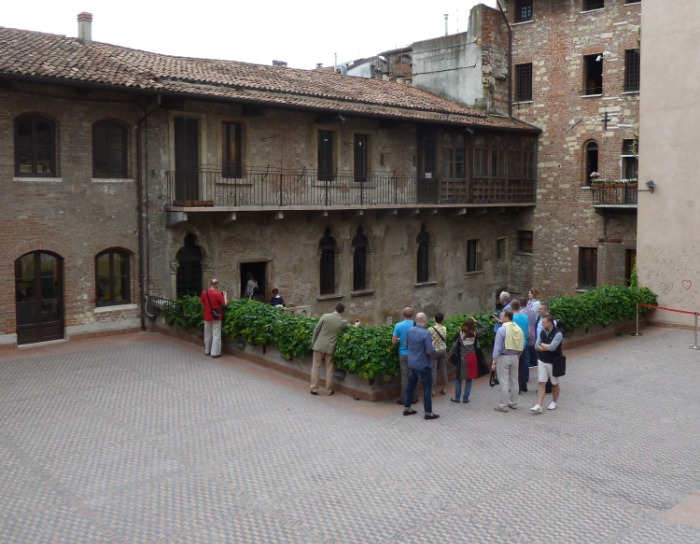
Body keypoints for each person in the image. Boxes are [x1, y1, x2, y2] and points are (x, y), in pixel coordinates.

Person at [402, 312, 439, 420]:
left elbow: (406, 344)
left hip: (412, 363)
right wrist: (433, 346)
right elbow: (430, 351)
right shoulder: (425, 333)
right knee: (427, 388)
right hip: (423, 365)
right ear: (424, 320)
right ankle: (428, 412)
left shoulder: (410, 330)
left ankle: (407, 408)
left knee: (410, 386)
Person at [310, 303, 348, 396]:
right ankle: (328, 390)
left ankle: (314, 388)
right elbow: (348, 326)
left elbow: (316, 330)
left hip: (319, 345)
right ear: (342, 311)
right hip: (330, 348)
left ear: (334, 308)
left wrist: (313, 343)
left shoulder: (325, 316)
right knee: (329, 369)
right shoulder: (342, 322)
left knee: (316, 367)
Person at [491, 309, 523, 413]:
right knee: (514, 381)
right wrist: (518, 355)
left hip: (504, 357)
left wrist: (494, 361)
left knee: (504, 381)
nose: (500, 317)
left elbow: (497, 347)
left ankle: (503, 405)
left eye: (502, 316)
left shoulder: (502, 329)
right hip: (515, 357)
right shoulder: (518, 328)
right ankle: (513, 403)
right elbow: (520, 343)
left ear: (506, 317)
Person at [531, 314, 563, 414]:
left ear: (550, 323)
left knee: (554, 383)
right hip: (541, 360)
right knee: (541, 382)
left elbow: (552, 348)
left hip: (553, 362)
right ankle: (539, 405)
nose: (542, 323)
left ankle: (554, 401)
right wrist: (546, 347)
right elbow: (536, 346)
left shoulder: (558, 334)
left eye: (544, 322)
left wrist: (544, 346)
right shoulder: (542, 331)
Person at [450, 317, 485, 403]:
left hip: (462, 358)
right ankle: (466, 398)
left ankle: (457, 397)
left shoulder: (460, 333)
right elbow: (484, 328)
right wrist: (477, 321)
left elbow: (454, 344)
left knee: (459, 378)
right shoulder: (475, 333)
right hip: (472, 357)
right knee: (469, 378)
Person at [392, 306, 417, 405]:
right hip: (414, 354)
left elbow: (394, 341)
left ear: (403, 314)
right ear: (412, 315)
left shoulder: (398, 325)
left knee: (405, 378)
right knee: (414, 376)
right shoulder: (416, 325)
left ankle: (405, 398)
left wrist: (399, 339)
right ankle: (414, 398)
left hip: (403, 354)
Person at [200, 279, 228, 358]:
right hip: (216, 317)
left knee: (207, 334)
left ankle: (207, 350)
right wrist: (225, 295)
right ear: (216, 284)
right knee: (216, 335)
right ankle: (215, 353)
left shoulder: (204, 292)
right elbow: (225, 304)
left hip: (206, 316)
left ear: (211, 284)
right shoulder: (218, 294)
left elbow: (202, 302)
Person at [510, 299, 530, 393]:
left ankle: (516, 387)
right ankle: (524, 385)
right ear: (519, 307)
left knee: (515, 367)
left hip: (514, 345)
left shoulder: (512, 318)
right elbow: (529, 330)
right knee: (524, 365)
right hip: (524, 343)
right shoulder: (525, 317)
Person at [428, 312, 448, 396]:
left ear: (434, 318)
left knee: (433, 370)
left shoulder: (430, 329)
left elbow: (428, 340)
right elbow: (444, 339)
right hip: (443, 349)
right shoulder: (444, 328)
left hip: (434, 351)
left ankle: (432, 390)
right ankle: (444, 388)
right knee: (443, 369)